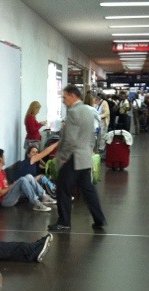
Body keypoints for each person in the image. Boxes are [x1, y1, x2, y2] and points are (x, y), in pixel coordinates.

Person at [48, 85, 107, 232]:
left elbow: (70, 139)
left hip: (72, 158)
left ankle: (64, 221)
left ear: (73, 96)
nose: (63, 100)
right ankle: (99, 218)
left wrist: (63, 157)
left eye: (65, 97)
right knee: (88, 190)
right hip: (84, 156)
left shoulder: (73, 112)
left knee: (63, 189)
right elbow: (92, 134)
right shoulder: (88, 111)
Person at [0, 148, 56, 212]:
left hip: (9, 194)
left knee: (29, 176)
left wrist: (13, 185)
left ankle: (43, 196)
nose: (5, 158)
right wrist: (12, 186)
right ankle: (36, 203)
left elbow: (5, 186)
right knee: (22, 180)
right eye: (3, 156)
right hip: (5, 201)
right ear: (0, 158)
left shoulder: (1, 171)